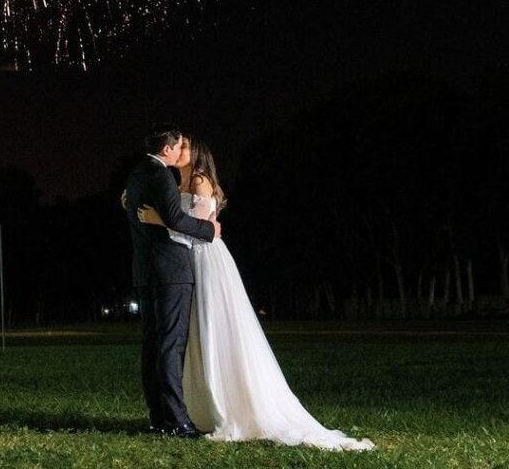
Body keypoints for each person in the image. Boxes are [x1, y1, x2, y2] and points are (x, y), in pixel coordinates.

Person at [138, 137, 374, 450]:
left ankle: (223, 405)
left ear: (197, 153)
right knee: (192, 333)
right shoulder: (174, 181)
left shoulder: (199, 181)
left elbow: (197, 226)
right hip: (186, 259)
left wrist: (158, 219)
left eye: (185, 147)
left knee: (212, 327)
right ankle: (194, 407)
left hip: (204, 257)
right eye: (177, 146)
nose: (180, 151)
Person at [123, 125, 220, 439]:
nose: (182, 152)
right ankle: (176, 421)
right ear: (168, 149)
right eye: (180, 147)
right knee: (170, 345)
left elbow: (140, 209)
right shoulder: (161, 174)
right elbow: (176, 220)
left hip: (145, 270)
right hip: (170, 271)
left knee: (153, 345)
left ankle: (158, 417)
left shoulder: (137, 174)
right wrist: (210, 231)